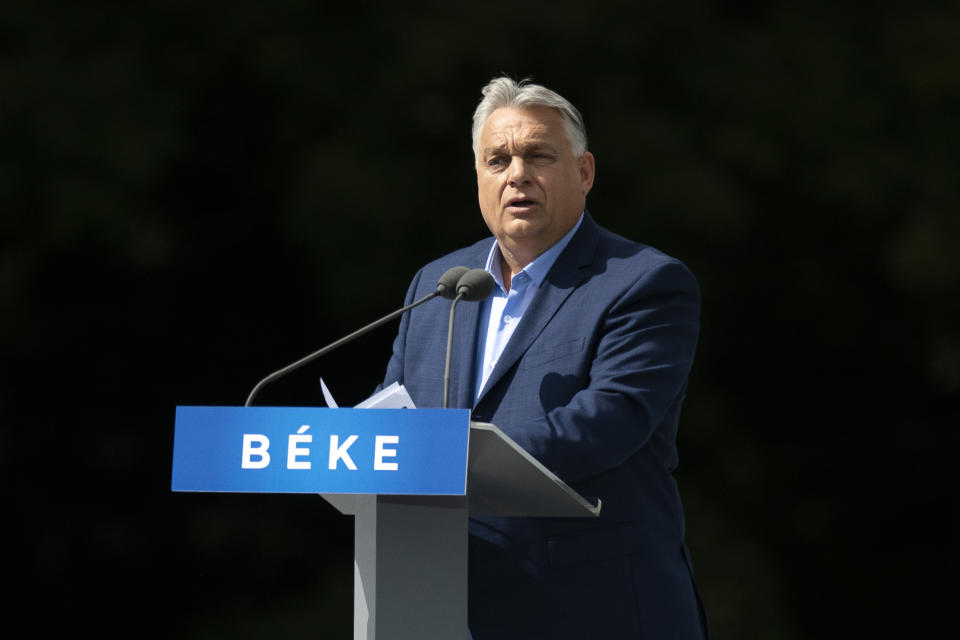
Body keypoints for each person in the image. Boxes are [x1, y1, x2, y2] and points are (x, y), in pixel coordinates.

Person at [381, 76, 708, 639]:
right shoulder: (438, 286)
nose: (517, 175)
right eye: (497, 160)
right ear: (479, 178)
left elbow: (609, 420)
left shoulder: (643, 282)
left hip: (596, 610)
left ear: (584, 173)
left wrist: (452, 456)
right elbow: (394, 419)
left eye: (537, 155)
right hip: (440, 607)